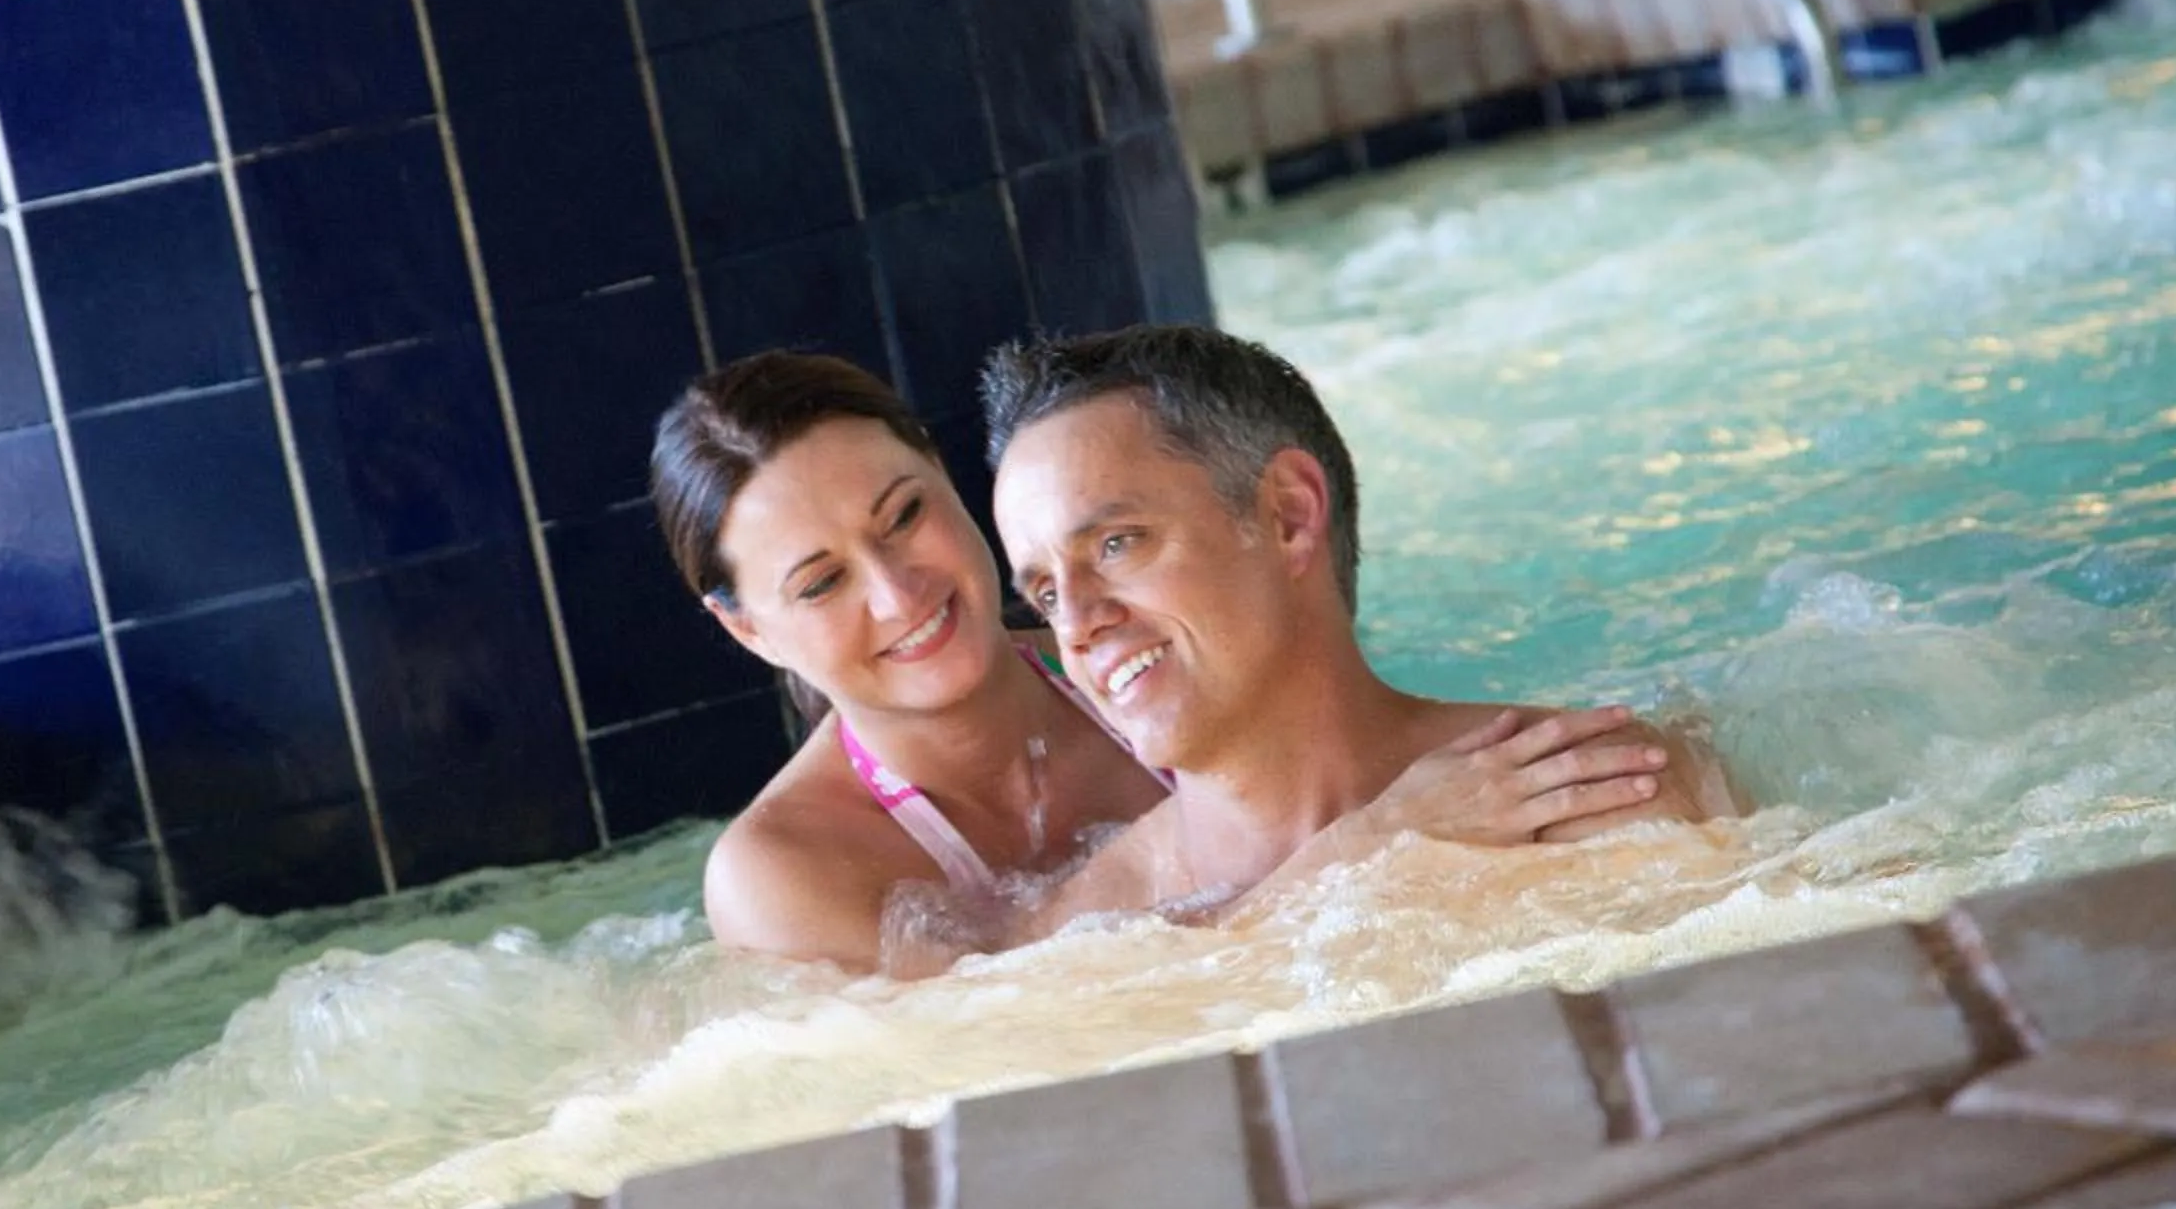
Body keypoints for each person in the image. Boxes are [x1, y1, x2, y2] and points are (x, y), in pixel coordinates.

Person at [653, 351, 1678, 970]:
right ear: (748, 628)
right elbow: (1013, 1048)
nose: (899, 591)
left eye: (907, 513)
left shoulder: (1158, 665)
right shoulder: (786, 870)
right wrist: (1379, 847)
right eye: (820, 580)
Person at [984, 324, 1734, 914]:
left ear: (1287, 514)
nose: (1075, 624)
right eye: (1045, 592)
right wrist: (1366, 855)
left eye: (1117, 544)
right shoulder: (1082, 925)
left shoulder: (1594, 799)